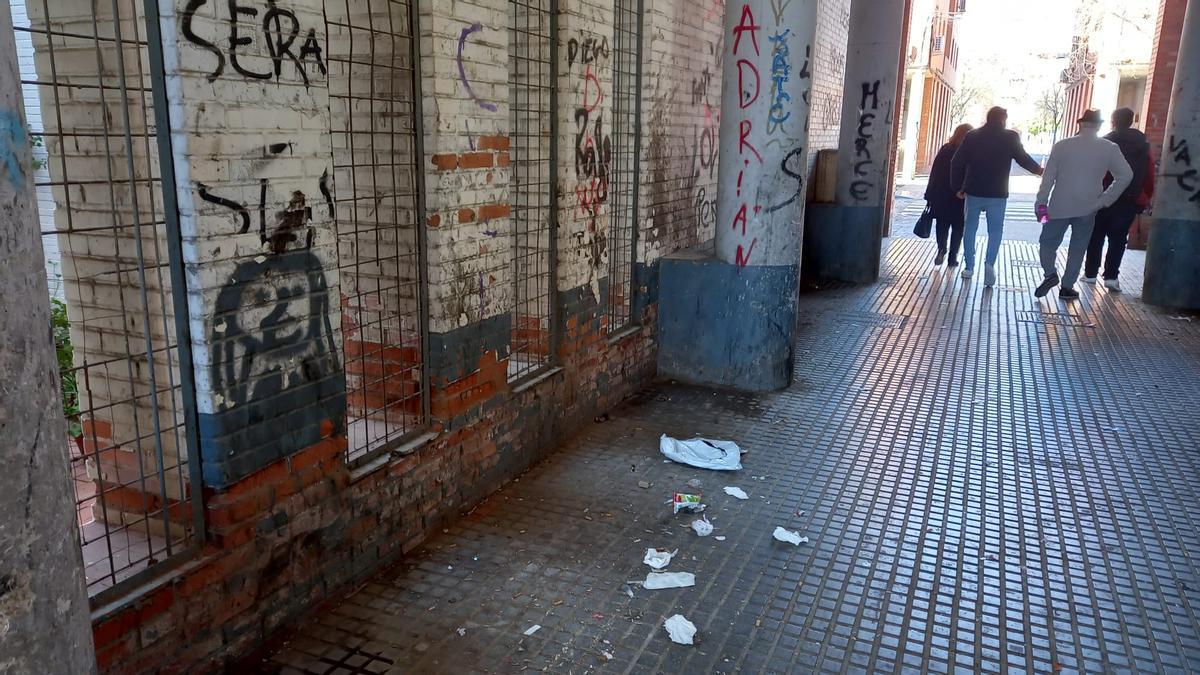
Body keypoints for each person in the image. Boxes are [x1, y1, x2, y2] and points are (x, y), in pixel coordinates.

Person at [1034, 110, 1133, 300]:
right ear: (1098, 125)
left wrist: (1041, 204)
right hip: (1089, 207)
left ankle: (1050, 274)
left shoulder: (1061, 146)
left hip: (1057, 207)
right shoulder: (1109, 147)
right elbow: (1126, 175)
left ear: (1080, 124)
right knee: (1078, 247)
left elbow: (1048, 178)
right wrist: (1105, 199)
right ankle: (1067, 288)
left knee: (1047, 242)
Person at [950, 106, 1044, 287]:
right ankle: (989, 264)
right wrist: (1040, 171)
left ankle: (969, 267)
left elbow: (956, 161)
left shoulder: (973, 136)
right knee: (995, 231)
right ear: (1003, 119)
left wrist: (957, 187)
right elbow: (1023, 158)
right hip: (998, 194)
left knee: (970, 228)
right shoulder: (1011, 137)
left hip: (974, 191)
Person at [1082, 107, 1154, 292]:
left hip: (1102, 196)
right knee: (1119, 238)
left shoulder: (1104, 143)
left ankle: (1090, 274)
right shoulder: (1143, 146)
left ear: (1113, 121)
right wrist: (1145, 196)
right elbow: (1150, 174)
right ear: (1132, 121)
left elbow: (1093, 171)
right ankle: (1111, 277)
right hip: (1129, 199)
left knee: (1096, 235)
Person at [924, 123, 973, 267]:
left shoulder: (945, 149)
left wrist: (929, 193)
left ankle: (941, 249)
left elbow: (935, 172)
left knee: (942, 224)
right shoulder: (968, 153)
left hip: (941, 195)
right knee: (958, 228)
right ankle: (953, 258)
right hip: (960, 196)